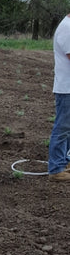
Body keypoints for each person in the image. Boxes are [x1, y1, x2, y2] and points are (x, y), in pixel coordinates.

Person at [49, 9, 70, 180]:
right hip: (66, 89)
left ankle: (65, 161)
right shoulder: (67, 29)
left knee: (67, 129)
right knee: (62, 129)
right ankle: (56, 169)